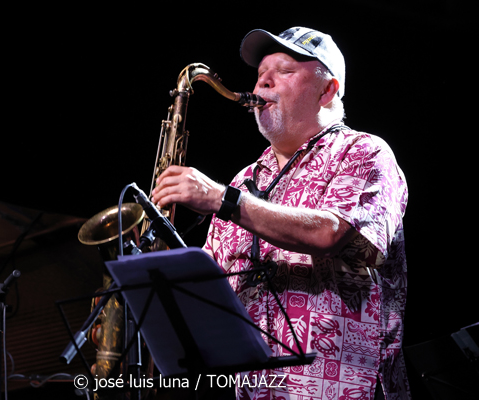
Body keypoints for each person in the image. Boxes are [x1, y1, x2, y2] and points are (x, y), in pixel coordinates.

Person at [151, 27, 409, 400]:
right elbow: (213, 289)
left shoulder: (364, 152)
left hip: (343, 389)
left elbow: (333, 234)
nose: (263, 82)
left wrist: (225, 200)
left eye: (284, 70)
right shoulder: (244, 180)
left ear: (327, 90)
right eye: (260, 74)